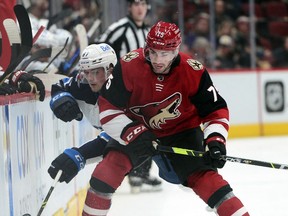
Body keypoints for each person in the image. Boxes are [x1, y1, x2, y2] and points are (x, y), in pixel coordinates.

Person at [83, 21, 250, 215]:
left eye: (164, 54)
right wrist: (134, 132)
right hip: (137, 129)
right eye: (153, 52)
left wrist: (215, 140)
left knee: (208, 181)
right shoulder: (128, 65)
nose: (157, 60)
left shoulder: (193, 71)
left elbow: (215, 110)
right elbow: (108, 108)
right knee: (106, 172)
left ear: (176, 51)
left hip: (182, 132)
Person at [97, 0, 162, 193]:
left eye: (143, 3)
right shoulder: (119, 29)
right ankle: (133, 171)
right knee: (131, 128)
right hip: (124, 90)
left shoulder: (149, 33)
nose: (140, 8)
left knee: (149, 127)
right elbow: (99, 50)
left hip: (145, 90)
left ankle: (141, 172)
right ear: (129, 7)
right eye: (136, 4)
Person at [48, 43, 117, 185]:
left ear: (110, 69)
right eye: (86, 71)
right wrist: (60, 99)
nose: (90, 78)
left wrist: (80, 154)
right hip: (125, 138)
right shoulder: (83, 83)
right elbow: (60, 86)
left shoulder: (125, 90)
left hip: (147, 138)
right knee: (100, 182)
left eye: (95, 72)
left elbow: (116, 136)